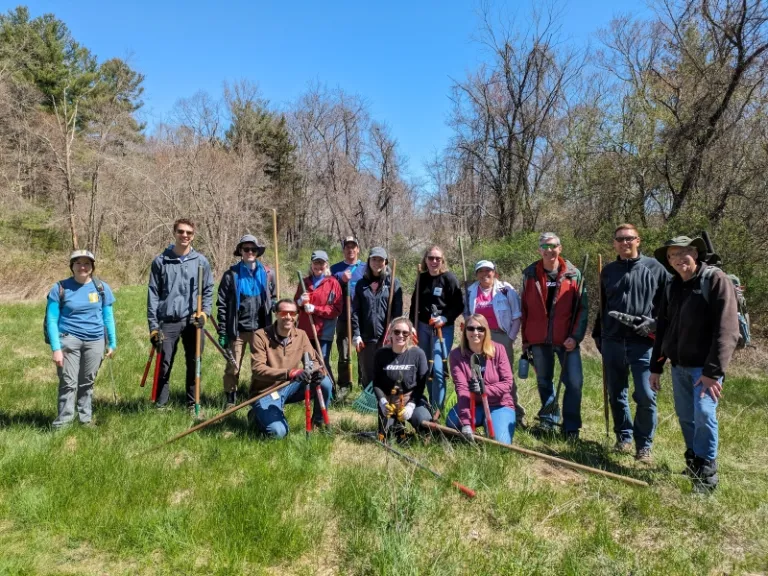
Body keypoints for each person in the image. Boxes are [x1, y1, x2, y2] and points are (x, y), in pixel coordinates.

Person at [650, 237, 739, 491]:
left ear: (695, 254)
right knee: (687, 417)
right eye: (672, 255)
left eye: (684, 253)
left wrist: (713, 372)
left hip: (705, 369)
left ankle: (708, 475)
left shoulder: (715, 280)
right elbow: (663, 328)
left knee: (704, 415)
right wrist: (656, 367)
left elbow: (727, 330)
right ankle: (694, 463)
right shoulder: (673, 285)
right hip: (678, 366)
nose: (679, 259)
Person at [592, 223, 669, 461]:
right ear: (614, 243)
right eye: (620, 239)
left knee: (646, 394)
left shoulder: (655, 268)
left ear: (638, 240)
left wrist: (655, 324)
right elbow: (603, 306)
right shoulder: (608, 271)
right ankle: (623, 437)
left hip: (643, 343)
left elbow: (669, 306)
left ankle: (643, 444)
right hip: (613, 340)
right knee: (616, 393)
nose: (625, 242)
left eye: (629, 238)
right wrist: (599, 336)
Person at [520, 233, 587, 440]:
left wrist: (575, 337)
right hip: (539, 340)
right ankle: (549, 421)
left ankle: (571, 427)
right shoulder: (529, 274)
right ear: (539, 250)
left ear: (560, 248)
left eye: (553, 246)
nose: (549, 250)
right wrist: (526, 341)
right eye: (545, 246)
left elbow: (582, 310)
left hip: (566, 340)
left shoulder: (574, 274)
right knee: (544, 381)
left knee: (574, 382)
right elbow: (524, 309)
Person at [147, 218, 214, 414]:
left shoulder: (201, 261)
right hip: (167, 321)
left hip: (193, 321)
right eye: (181, 232)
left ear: (193, 235)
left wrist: (204, 314)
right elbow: (153, 294)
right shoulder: (161, 261)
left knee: (195, 362)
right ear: (174, 233)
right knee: (164, 362)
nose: (185, 236)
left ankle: (193, 403)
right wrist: (153, 326)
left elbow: (208, 290)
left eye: (189, 233)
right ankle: (160, 403)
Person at [45, 250, 117, 429]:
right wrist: (56, 348)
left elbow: (108, 317)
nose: (82, 267)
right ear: (72, 266)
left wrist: (112, 342)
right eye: (78, 263)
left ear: (92, 267)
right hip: (69, 339)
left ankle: (85, 420)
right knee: (68, 382)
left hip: (95, 341)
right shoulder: (60, 288)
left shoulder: (101, 288)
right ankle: (63, 423)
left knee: (87, 382)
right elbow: (52, 319)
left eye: (87, 263)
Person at [248, 299, 333, 438]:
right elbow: (257, 370)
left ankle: (318, 422)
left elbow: (313, 361)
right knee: (278, 433)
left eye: (292, 313)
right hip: (266, 391)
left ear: (296, 315)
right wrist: (289, 373)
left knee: (325, 382)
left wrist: (316, 372)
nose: (288, 317)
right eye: (283, 312)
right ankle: (255, 416)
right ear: (276, 314)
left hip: (291, 386)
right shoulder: (260, 336)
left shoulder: (301, 335)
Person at [216, 235, 277, 409]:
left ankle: (256, 396)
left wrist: (275, 304)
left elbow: (272, 297)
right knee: (232, 366)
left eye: (253, 249)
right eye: (246, 249)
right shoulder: (231, 275)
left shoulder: (267, 273)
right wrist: (222, 331)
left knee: (260, 366)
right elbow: (221, 304)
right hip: (237, 329)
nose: (250, 252)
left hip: (260, 330)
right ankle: (230, 398)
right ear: (241, 252)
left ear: (257, 252)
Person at [464, 259, 525, 421]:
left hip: (501, 337)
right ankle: (484, 409)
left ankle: (514, 411)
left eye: (488, 271)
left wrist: (510, 338)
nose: (485, 274)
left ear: (494, 273)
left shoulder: (505, 290)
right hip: (478, 337)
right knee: (479, 373)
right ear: (476, 275)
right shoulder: (470, 291)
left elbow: (517, 316)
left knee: (505, 375)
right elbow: (467, 316)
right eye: (481, 271)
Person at [408, 245, 464, 413]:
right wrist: (411, 326)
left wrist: (445, 317)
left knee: (438, 369)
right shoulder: (422, 278)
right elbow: (413, 305)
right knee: (425, 368)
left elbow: (459, 305)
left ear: (442, 261)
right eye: (431, 258)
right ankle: (431, 406)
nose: (434, 261)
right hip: (423, 328)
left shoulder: (449, 279)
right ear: (425, 259)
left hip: (442, 329)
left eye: (437, 259)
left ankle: (438, 409)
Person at [447, 315, 516, 444]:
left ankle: (494, 423)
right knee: (452, 421)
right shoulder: (456, 355)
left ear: (486, 331)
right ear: (465, 331)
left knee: (500, 443)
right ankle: (474, 427)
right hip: (473, 403)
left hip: (499, 405)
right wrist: (466, 423)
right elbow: (462, 390)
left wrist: (485, 389)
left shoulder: (499, 350)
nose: (475, 333)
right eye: (471, 328)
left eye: (480, 329)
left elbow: (507, 384)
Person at [372, 317, 432, 440]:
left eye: (405, 333)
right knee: (388, 437)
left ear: (410, 335)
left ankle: (419, 427)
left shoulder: (418, 354)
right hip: (390, 402)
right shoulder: (381, 354)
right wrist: (382, 402)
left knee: (424, 423)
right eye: (397, 332)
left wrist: (411, 405)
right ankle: (395, 429)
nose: (400, 335)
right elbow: (376, 382)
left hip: (411, 399)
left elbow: (421, 385)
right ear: (390, 334)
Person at [351, 247, 403, 386]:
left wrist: (392, 333)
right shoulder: (361, 284)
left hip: (385, 336)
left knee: (386, 370)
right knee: (367, 371)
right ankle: (369, 399)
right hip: (366, 337)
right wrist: (356, 334)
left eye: (380, 260)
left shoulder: (392, 283)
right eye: (374, 259)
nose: (377, 262)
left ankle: (384, 398)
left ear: (385, 262)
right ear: (369, 261)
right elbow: (355, 311)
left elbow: (397, 313)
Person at [294, 250, 343, 380]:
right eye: (316, 263)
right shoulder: (304, 282)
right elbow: (294, 306)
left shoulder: (333, 283)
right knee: (308, 363)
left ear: (326, 265)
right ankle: (310, 392)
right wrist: (300, 302)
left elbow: (336, 309)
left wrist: (315, 308)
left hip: (323, 331)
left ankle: (330, 393)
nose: (318, 266)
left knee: (322, 362)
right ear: (311, 264)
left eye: (321, 263)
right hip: (305, 331)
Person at [330, 236, 367, 397]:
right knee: (344, 351)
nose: (350, 250)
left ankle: (363, 383)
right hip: (343, 316)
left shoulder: (365, 268)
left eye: (353, 247)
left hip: (361, 317)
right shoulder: (335, 268)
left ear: (358, 249)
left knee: (362, 352)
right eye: (347, 247)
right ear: (343, 249)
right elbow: (328, 286)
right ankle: (344, 384)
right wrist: (340, 278)